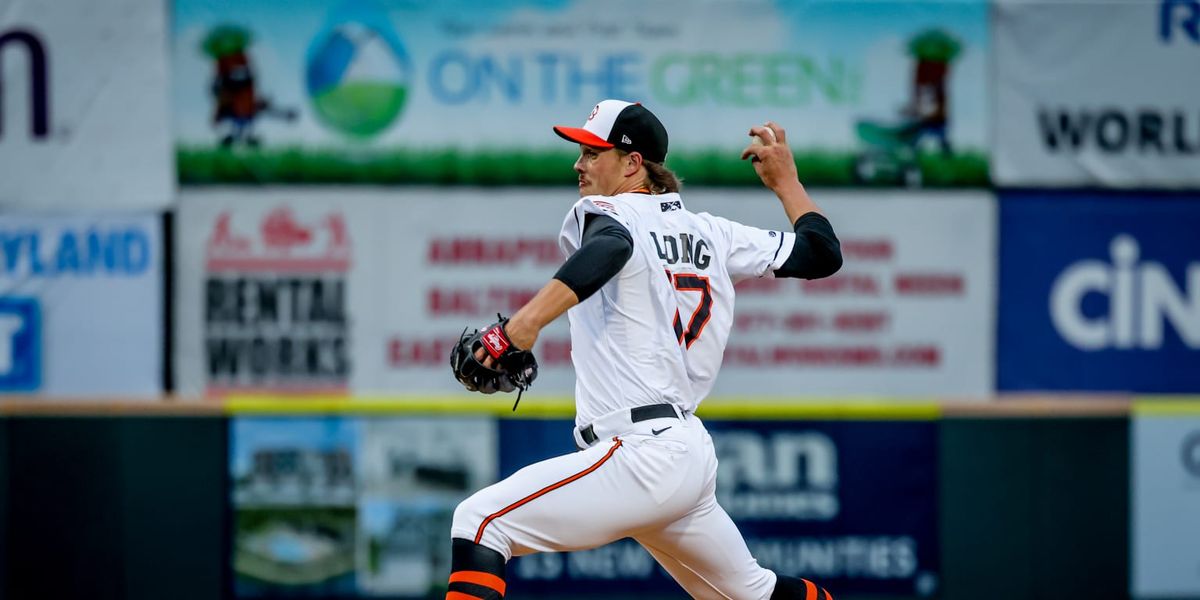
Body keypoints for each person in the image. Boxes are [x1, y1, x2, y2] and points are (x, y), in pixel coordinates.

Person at [445, 100, 842, 600]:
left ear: (632, 164)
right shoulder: (712, 233)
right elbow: (821, 253)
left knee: (480, 523)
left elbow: (612, 247)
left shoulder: (613, 211)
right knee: (753, 593)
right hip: (683, 452)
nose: (579, 164)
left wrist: (518, 328)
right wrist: (788, 185)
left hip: (642, 451)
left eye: (593, 152)